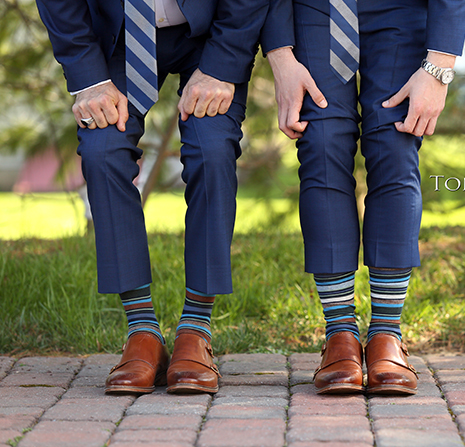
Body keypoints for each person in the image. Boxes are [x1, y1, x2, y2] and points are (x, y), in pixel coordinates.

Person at [35, 0, 293, 394]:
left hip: (213, 32)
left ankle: (196, 328)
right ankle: (142, 331)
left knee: (212, 149)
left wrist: (223, 65)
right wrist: (87, 78)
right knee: (103, 150)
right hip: (118, 32)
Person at [267, 0, 465, 394]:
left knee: (395, 144)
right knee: (319, 145)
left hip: (402, 8)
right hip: (313, 9)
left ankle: (387, 333)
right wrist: (280, 56)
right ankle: (339, 335)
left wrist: (439, 66)